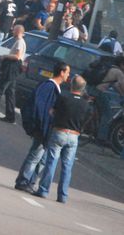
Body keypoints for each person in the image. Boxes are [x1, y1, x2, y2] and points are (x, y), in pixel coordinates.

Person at [33, 75, 91, 203]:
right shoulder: (85, 104)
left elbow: (52, 112)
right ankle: (62, 195)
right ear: (83, 88)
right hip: (74, 135)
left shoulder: (63, 97)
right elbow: (87, 119)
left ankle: (43, 190)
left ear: (71, 84)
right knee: (67, 166)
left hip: (60, 131)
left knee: (51, 162)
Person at [16, 61, 71, 192]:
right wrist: (41, 126)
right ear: (62, 72)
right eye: (67, 72)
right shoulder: (49, 86)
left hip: (48, 129)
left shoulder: (55, 88)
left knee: (42, 159)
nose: (68, 75)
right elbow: (40, 107)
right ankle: (23, 180)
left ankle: (30, 181)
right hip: (43, 129)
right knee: (35, 155)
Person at [0, 24, 26, 123]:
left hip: (12, 68)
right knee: (10, 93)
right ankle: (10, 117)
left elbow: (17, 56)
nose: (12, 31)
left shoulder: (20, 42)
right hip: (13, 69)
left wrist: (5, 56)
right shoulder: (19, 42)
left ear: (18, 31)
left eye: (14, 30)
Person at [95, 55, 124, 142]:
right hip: (100, 92)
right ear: (122, 64)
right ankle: (101, 138)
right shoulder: (119, 72)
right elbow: (122, 86)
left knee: (102, 111)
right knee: (107, 114)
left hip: (93, 89)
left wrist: (121, 94)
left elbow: (115, 85)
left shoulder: (110, 68)